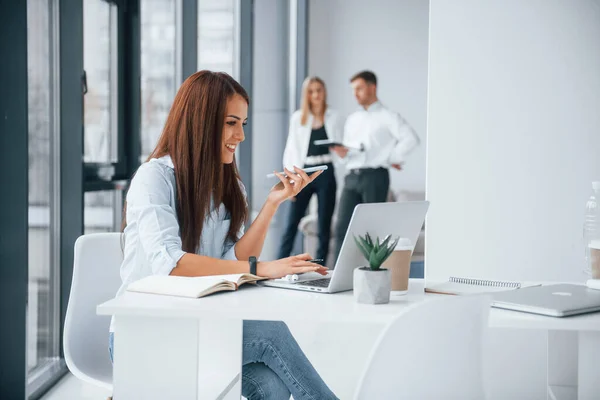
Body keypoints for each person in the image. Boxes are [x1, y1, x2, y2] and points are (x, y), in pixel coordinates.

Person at [109, 71, 338, 400]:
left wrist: (273, 202)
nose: (240, 135)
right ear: (201, 121)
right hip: (146, 330)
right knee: (272, 332)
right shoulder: (154, 178)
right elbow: (171, 265)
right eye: (232, 122)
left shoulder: (230, 186)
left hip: (203, 323)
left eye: (243, 124)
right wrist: (262, 269)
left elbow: (233, 260)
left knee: (271, 387)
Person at [331, 70, 419, 261]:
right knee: (342, 228)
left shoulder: (388, 116)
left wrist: (390, 158)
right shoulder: (353, 119)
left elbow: (411, 139)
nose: (355, 94)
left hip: (375, 177)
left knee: (371, 232)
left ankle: (371, 278)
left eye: (360, 88)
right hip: (351, 177)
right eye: (353, 89)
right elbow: (349, 150)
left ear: (373, 87)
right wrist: (342, 154)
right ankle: (335, 279)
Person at [278, 76, 342, 264]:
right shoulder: (299, 118)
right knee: (291, 223)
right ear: (306, 94)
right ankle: (278, 265)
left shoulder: (334, 116)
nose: (316, 95)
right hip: (304, 173)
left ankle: (320, 268)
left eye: (319, 90)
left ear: (324, 92)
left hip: (326, 172)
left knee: (324, 225)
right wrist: (290, 181)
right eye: (311, 91)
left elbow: (341, 146)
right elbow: (291, 149)